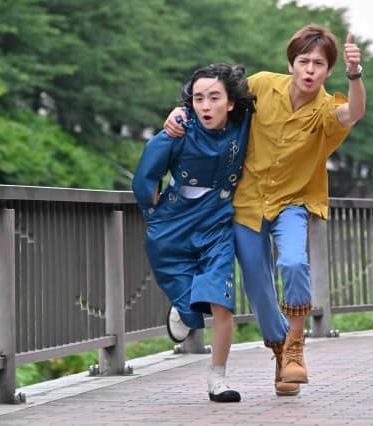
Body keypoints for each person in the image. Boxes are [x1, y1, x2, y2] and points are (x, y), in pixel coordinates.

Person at [163, 24, 366, 396]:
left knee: (293, 262)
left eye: (318, 64)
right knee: (257, 286)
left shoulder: (325, 109)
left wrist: (355, 75)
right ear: (291, 64)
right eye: (303, 61)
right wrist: (182, 110)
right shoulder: (260, 86)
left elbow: (353, 111)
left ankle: (295, 347)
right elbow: (217, 99)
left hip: (294, 202)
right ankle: (280, 353)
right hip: (248, 201)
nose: (309, 69)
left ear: (328, 71)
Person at [133, 63, 256, 403]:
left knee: (222, 303)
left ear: (230, 102)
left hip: (217, 222)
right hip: (175, 222)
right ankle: (184, 308)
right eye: (198, 98)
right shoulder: (179, 128)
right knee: (184, 293)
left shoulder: (244, 124)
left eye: (214, 97)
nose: (206, 106)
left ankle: (218, 379)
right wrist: (153, 211)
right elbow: (147, 172)